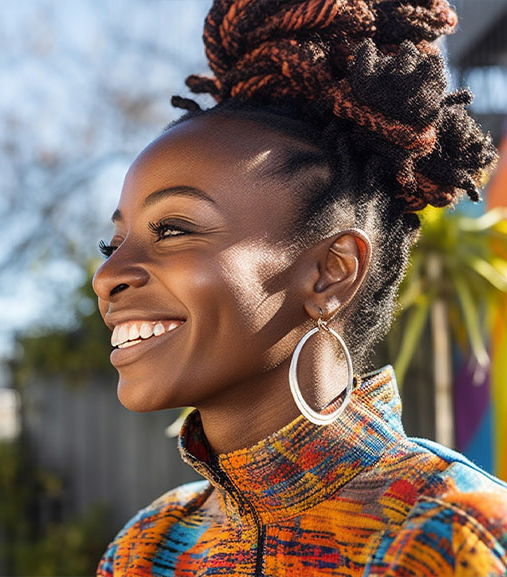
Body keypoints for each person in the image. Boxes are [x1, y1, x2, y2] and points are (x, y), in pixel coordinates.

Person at [91, 1, 507, 575]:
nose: (108, 275)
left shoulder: (450, 534)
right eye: (113, 244)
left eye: (173, 229)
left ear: (330, 271)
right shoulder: (147, 549)